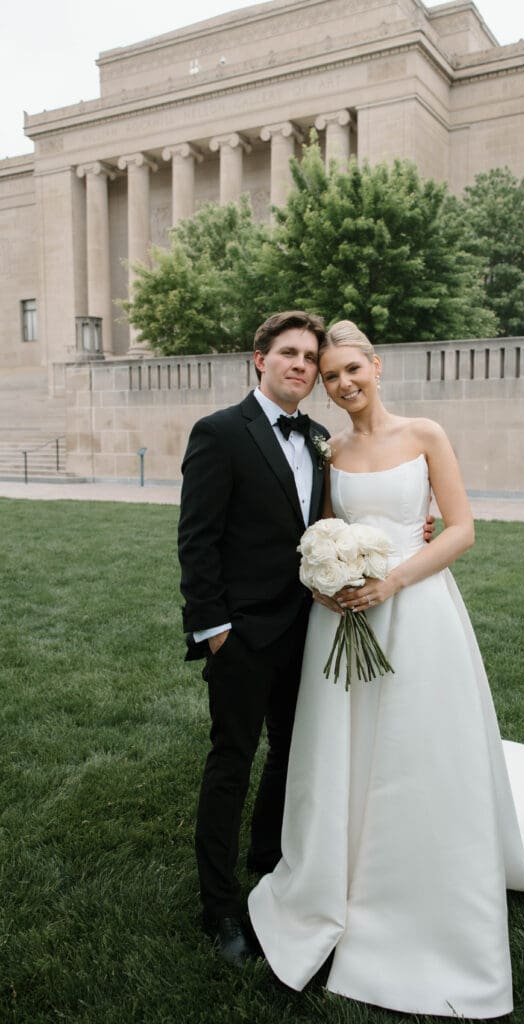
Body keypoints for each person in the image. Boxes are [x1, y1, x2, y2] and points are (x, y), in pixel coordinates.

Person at [248, 321, 524, 1018]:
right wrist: (326, 578)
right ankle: (337, 869)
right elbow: (328, 531)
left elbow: (459, 527)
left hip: (417, 607)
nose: (342, 384)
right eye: (330, 377)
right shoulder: (329, 451)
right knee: (345, 744)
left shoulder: (424, 434)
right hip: (343, 616)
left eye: (350, 370)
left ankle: (418, 874)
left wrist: (391, 581)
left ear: (376, 366)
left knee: (418, 742)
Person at [177, 310, 329, 965]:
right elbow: (197, 539)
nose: (301, 364)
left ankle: (268, 864)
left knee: (292, 757)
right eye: (288, 352)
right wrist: (214, 631)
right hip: (240, 635)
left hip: (308, 630)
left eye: (310, 358)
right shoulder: (219, 432)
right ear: (258, 360)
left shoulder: (321, 436)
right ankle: (218, 907)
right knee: (231, 763)